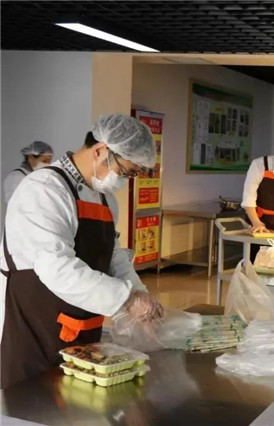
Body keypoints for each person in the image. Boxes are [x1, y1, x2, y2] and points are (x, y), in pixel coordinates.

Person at [0, 113, 164, 389]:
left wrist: (140, 295)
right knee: (32, 398)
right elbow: (57, 268)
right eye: (126, 172)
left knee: (78, 396)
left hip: (82, 321)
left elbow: (113, 256)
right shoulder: (45, 189)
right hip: (34, 322)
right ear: (100, 151)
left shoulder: (105, 198)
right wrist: (126, 298)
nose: (125, 180)